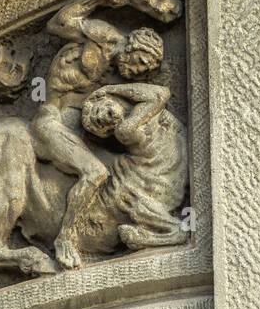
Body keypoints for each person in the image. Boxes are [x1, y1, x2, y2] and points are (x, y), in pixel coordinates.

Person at [31, 0, 177, 268]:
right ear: (132, 45)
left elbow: (156, 95)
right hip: (50, 120)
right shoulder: (103, 38)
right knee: (96, 173)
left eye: (143, 70)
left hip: (73, 122)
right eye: (138, 62)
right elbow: (58, 24)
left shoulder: (118, 76)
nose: (136, 71)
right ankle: (65, 237)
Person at [80, 83, 189, 249]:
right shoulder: (125, 130)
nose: (102, 116)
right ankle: (167, 232)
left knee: (131, 196)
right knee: (133, 200)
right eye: (98, 123)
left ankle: (167, 231)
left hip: (168, 168)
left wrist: (109, 90)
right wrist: (110, 90)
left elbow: (161, 94)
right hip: (162, 174)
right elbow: (159, 94)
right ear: (106, 132)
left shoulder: (135, 114)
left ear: (107, 100)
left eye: (98, 109)